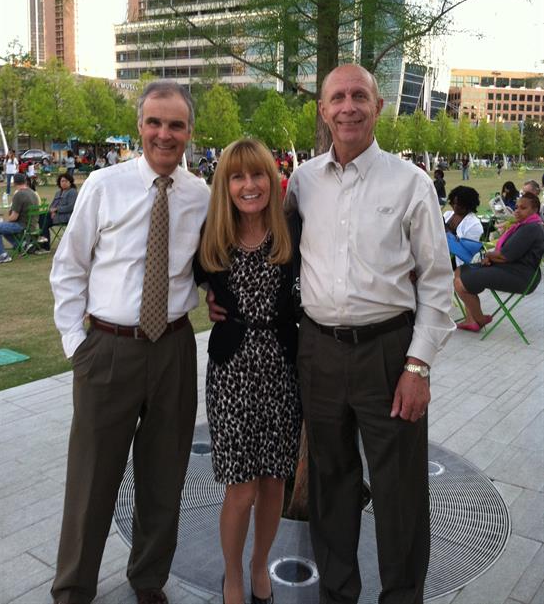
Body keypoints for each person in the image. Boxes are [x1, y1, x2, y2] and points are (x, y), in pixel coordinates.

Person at [284, 64, 455, 604]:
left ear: (379, 107)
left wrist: (418, 365)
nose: (349, 106)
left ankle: (402, 596)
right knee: (331, 482)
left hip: (389, 353)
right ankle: (337, 593)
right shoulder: (303, 183)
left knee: (399, 488)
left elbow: (437, 281)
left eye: (360, 95)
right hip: (317, 351)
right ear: (323, 109)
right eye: (338, 97)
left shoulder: (411, 183)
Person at [49, 80, 209, 604]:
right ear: (141, 126)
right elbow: (70, 267)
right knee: (92, 477)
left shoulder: (201, 196)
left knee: (165, 476)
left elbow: (210, 266)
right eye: (155, 122)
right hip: (108, 350)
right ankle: (74, 587)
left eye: (176, 125)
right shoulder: (104, 184)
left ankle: (148, 580)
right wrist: (78, 344)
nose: (165, 134)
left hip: (174, 352)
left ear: (189, 132)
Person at [196, 138, 301, 604]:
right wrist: (209, 301)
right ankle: (233, 574)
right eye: (237, 177)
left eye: (257, 174)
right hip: (232, 373)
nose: (249, 185)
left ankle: (261, 564)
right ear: (226, 185)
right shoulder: (212, 236)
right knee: (240, 488)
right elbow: (192, 281)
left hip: (281, 369)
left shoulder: (292, 231)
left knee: (274, 481)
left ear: (271, 180)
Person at [454, 193, 544, 332]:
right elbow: (505, 255)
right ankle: (471, 319)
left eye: (523, 208)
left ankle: (478, 319)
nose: (517, 211)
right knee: (460, 271)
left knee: (460, 282)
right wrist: (491, 257)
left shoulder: (531, 228)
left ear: (535, 210)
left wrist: (489, 256)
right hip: (509, 268)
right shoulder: (523, 225)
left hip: (521, 276)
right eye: (516, 207)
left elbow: (505, 256)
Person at [0, 173, 39, 264]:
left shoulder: (19, 194)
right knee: (4, 228)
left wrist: (5, 221)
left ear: (14, 183)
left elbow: (14, 217)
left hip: (22, 225)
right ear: (25, 181)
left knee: (1, 226)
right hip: (32, 224)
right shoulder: (32, 192)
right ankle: (23, 246)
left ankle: (3, 255)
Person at [443, 186, 484, 266]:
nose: (455, 206)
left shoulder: (474, 225)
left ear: (468, 205)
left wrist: (446, 232)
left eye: (459, 204)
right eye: (453, 203)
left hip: (459, 265)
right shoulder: (448, 214)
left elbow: (467, 253)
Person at [39, 174, 78, 251]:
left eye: (66, 181)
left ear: (70, 182)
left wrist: (56, 210)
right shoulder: (58, 193)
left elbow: (71, 207)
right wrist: (52, 211)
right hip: (55, 216)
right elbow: (52, 206)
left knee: (44, 220)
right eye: (62, 181)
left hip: (66, 216)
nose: (63, 183)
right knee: (41, 217)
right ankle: (42, 244)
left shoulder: (72, 192)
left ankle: (45, 246)